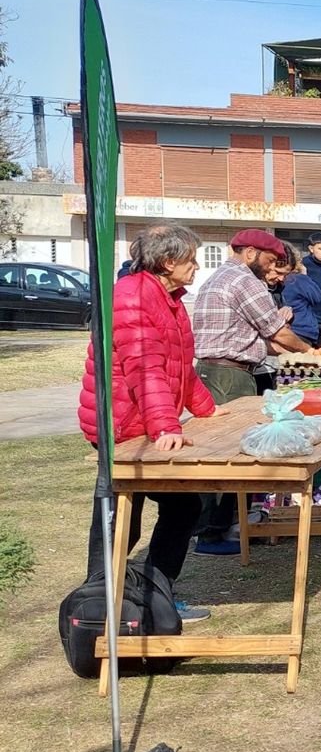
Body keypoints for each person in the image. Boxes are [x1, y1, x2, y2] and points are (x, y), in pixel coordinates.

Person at [78, 224, 217, 622]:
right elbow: (145, 370)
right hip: (123, 425)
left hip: (145, 424)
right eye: (191, 260)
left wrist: (206, 408)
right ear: (168, 261)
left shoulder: (169, 297)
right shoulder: (133, 297)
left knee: (178, 508)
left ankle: (149, 595)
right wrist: (166, 427)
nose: (196, 268)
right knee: (122, 516)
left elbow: (180, 367)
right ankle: (104, 604)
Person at [190, 230, 309, 555]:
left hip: (215, 369)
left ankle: (222, 525)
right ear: (251, 253)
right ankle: (214, 532)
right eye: (269, 261)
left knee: (219, 450)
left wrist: (287, 351)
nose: (270, 269)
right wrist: (309, 352)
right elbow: (277, 330)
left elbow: (257, 338)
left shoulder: (220, 277)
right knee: (231, 454)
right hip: (229, 375)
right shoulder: (244, 281)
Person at [278, 260, 321, 348]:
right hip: (302, 330)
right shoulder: (298, 279)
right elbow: (318, 297)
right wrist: (304, 275)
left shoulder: (273, 281)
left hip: (281, 331)